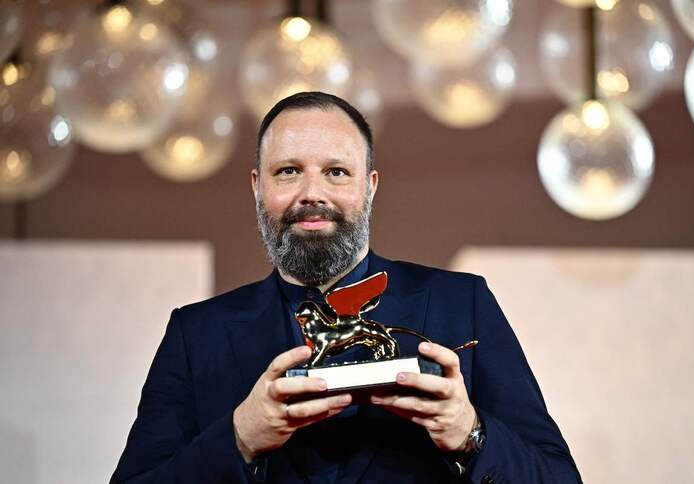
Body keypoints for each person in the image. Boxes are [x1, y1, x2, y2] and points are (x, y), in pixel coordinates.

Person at [111, 92, 582, 484]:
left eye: (336, 171)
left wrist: (471, 434)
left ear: (370, 186)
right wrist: (239, 437)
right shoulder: (196, 334)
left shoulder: (463, 304)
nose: (312, 192)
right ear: (257, 187)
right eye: (288, 171)